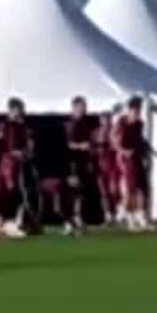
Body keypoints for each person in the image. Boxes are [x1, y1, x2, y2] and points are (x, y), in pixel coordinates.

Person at [0, 97, 35, 238]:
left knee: (16, 193)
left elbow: (30, 148)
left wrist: (23, 153)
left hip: (18, 164)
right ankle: (1, 223)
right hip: (4, 163)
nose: (16, 113)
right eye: (14, 110)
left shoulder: (25, 128)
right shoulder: (2, 126)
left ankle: (16, 223)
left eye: (19, 110)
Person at [62, 96, 100, 235]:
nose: (84, 110)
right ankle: (68, 221)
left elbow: (89, 142)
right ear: (74, 108)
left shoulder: (84, 124)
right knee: (72, 191)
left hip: (83, 162)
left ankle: (77, 218)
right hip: (72, 162)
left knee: (80, 191)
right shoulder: (70, 124)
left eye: (85, 107)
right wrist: (81, 146)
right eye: (81, 107)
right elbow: (68, 144)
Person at [115, 96, 151, 232]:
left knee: (142, 188)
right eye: (135, 110)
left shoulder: (140, 124)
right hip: (126, 160)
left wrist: (146, 152)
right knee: (131, 190)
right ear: (129, 110)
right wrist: (123, 151)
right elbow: (114, 141)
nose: (137, 113)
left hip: (138, 158)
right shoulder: (121, 123)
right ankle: (129, 220)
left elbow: (140, 140)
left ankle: (141, 218)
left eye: (139, 110)